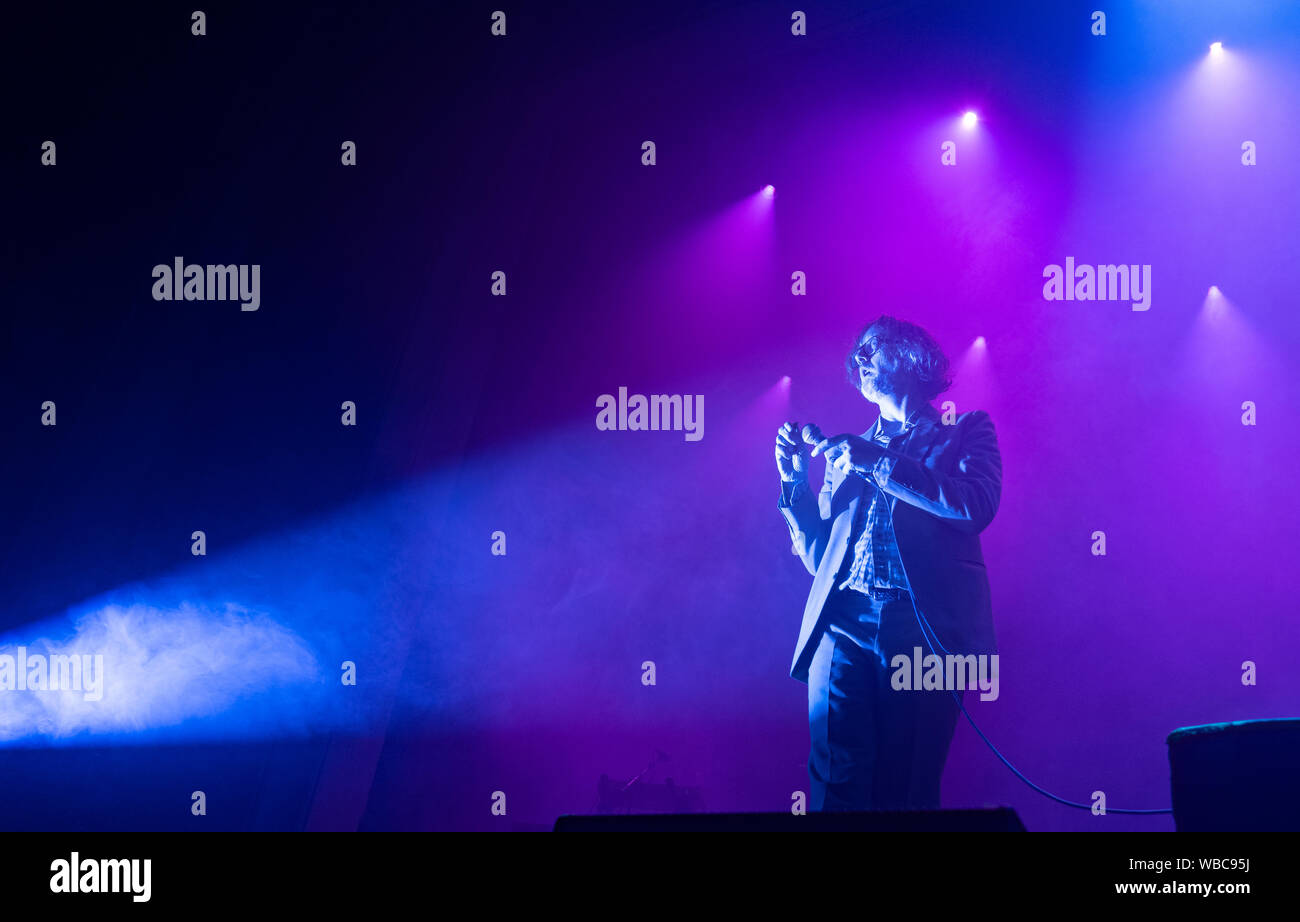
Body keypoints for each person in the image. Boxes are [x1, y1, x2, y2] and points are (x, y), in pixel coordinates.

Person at [774, 315, 1002, 811]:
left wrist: (876, 461)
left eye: (871, 347)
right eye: (856, 353)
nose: (859, 359)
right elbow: (821, 562)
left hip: (921, 629)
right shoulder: (845, 453)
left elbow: (975, 506)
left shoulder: (964, 429)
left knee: (908, 788)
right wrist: (795, 484)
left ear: (912, 356)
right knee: (838, 783)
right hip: (841, 624)